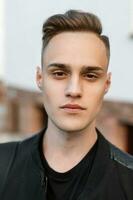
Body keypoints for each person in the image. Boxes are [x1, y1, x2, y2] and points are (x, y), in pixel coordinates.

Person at [0, 9, 133, 200]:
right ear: (40, 78)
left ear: (106, 84)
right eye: (59, 73)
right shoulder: (2, 165)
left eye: (90, 76)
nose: (74, 90)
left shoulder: (129, 181)